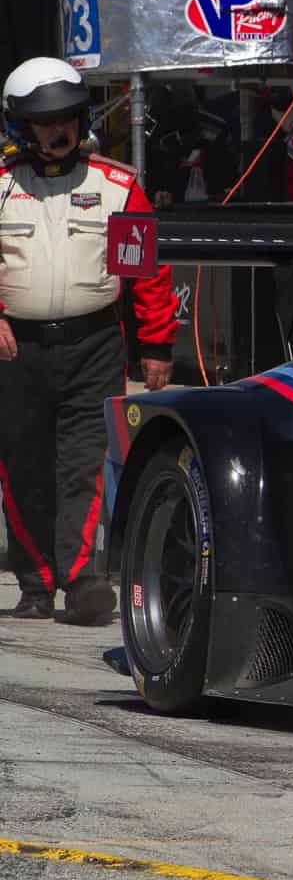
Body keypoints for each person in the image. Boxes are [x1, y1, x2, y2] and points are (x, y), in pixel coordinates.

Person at [0, 58, 177, 624]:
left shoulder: (118, 185)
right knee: (23, 467)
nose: (59, 131)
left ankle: (81, 581)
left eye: (68, 119)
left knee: (82, 465)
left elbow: (147, 273)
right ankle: (35, 583)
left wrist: (157, 346)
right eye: (46, 122)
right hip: (16, 350)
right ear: (21, 127)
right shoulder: (1, 185)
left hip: (95, 344)